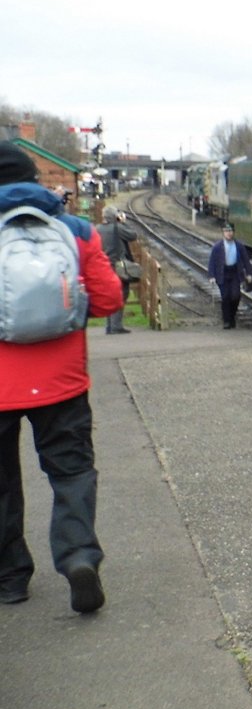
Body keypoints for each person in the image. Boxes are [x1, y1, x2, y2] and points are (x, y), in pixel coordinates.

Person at [0, 141, 124, 613]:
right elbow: (111, 301)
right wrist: (69, 310)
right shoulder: (76, 231)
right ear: (33, 179)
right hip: (63, 382)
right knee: (71, 473)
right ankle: (77, 558)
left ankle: (11, 578)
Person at [95, 206, 138, 334]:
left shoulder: (97, 229)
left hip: (103, 266)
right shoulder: (118, 228)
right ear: (115, 216)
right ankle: (116, 325)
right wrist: (124, 222)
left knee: (109, 295)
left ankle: (110, 325)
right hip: (118, 266)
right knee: (121, 294)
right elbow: (133, 235)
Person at [208, 222, 244, 329]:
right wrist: (211, 276)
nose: (229, 233)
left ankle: (232, 316)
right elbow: (212, 262)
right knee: (225, 297)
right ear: (223, 233)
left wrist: (249, 273)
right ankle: (227, 320)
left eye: (230, 231)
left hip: (234, 274)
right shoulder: (217, 247)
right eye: (226, 231)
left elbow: (245, 260)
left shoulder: (239, 246)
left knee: (236, 296)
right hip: (222, 274)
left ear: (233, 232)